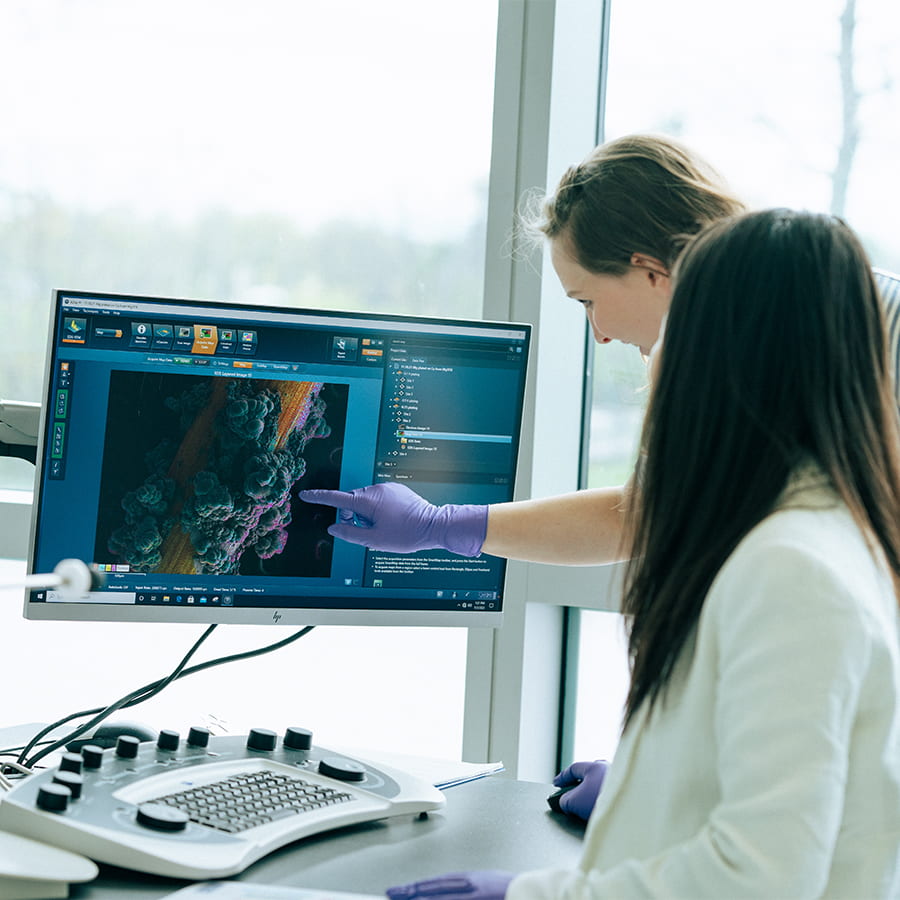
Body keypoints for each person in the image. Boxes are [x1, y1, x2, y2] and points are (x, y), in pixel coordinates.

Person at [298, 135, 900, 818]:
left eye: (585, 301)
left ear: (650, 272)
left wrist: (663, 793)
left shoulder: (732, 344)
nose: (599, 334)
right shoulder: (819, 304)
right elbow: (649, 510)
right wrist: (445, 526)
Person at [381, 208, 900, 898]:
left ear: (718, 356)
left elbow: (758, 880)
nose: (653, 361)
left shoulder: (793, 572)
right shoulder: (818, 536)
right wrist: (650, 789)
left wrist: (526, 897)